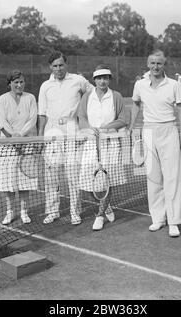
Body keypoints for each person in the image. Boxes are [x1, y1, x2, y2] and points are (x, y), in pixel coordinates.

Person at [130, 50, 181, 238]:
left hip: (169, 130)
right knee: (153, 178)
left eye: (159, 63)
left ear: (164, 65)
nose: (155, 67)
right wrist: (132, 126)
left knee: (171, 178)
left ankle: (173, 221)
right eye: (152, 63)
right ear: (148, 64)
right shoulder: (140, 85)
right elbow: (136, 104)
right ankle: (158, 219)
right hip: (148, 132)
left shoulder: (174, 85)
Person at [38, 51, 94, 225]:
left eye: (61, 65)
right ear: (50, 67)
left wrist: (82, 115)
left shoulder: (78, 80)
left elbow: (94, 95)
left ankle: (74, 212)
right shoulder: (45, 86)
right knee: (51, 176)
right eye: (55, 66)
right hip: (51, 133)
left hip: (72, 132)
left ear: (66, 65)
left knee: (73, 175)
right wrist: (41, 138)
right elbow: (42, 114)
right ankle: (52, 211)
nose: (58, 68)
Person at [77, 65, 128, 231]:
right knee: (89, 181)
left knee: (108, 179)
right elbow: (82, 117)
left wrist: (105, 128)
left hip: (110, 144)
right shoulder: (86, 96)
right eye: (99, 78)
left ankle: (99, 215)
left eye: (106, 77)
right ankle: (106, 206)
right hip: (91, 144)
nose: (102, 81)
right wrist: (90, 129)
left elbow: (123, 118)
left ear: (109, 79)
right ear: (94, 80)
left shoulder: (116, 96)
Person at [0, 69, 38, 225]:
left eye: (21, 82)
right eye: (16, 82)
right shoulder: (2, 99)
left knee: (25, 182)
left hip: (26, 145)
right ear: (9, 84)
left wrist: (20, 136)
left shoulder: (31, 98)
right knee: (8, 182)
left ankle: (24, 212)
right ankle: (9, 212)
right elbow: (2, 123)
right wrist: (13, 139)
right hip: (7, 146)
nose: (19, 85)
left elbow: (32, 120)